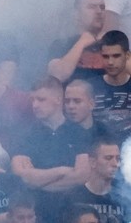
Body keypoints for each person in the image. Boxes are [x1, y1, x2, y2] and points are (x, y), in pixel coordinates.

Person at [8, 79, 90, 222]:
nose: (35, 105)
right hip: (36, 214)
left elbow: (81, 177)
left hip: (72, 212)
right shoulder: (25, 134)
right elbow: (23, 177)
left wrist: (38, 180)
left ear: (58, 99)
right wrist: (62, 171)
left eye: (41, 99)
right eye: (33, 100)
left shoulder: (79, 132)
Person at [88, 33, 131, 138]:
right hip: (99, 151)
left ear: (127, 55)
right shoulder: (90, 86)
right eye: (106, 56)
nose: (110, 62)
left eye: (116, 56)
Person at [61, 141, 131, 223]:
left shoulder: (124, 197)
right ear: (92, 162)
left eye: (117, 159)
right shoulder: (72, 197)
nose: (115, 164)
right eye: (108, 158)